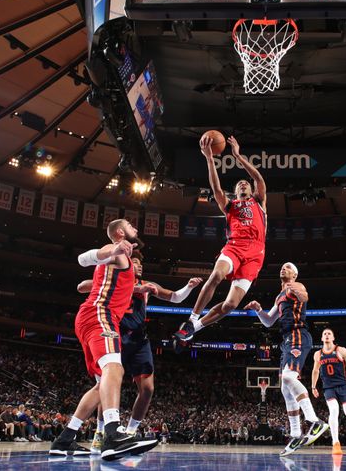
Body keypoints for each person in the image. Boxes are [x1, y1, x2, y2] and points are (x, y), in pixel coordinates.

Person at [48, 219, 158, 461]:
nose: (136, 228)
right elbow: (83, 259)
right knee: (115, 367)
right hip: (101, 315)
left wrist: (138, 290)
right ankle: (112, 435)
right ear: (120, 233)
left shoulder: (126, 262)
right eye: (131, 225)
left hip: (91, 317)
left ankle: (65, 439)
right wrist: (114, 249)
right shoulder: (116, 251)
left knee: (101, 386)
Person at [78, 254, 202, 453]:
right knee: (105, 386)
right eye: (135, 262)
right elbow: (83, 286)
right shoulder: (112, 280)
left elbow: (175, 297)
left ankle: (130, 432)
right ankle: (101, 433)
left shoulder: (148, 285)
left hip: (138, 340)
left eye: (141, 264)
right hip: (114, 333)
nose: (139, 266)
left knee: (148, 389)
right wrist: (132, 288)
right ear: (125, 265)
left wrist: (189, 286)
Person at [173, 135, 267, 350]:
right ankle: (192, 317)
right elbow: (216, 189)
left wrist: (238, 156)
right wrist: (209, 159)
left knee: (231, 304)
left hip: (256, 253)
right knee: (216, 274)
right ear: (235, 192)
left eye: (246, 183)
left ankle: (193, 329)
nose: (243, 183)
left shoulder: (259, 201)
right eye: (239, 183)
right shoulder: (230, 205)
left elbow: (259, 179)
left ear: (251, 190)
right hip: (234, 245)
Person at [244, 262, 328, 456]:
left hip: (298, 334)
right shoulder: (279, 296)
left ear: (295, 274)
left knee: (290, 378)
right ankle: (297, 434)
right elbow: (268, 321)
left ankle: (315, 421)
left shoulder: (296, 286)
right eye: (282, 267)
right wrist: (258, 309)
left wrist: (297, 291)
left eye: (288, 267)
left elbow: (305, 297)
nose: (284, 268)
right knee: (284, 387)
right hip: (287, 341)